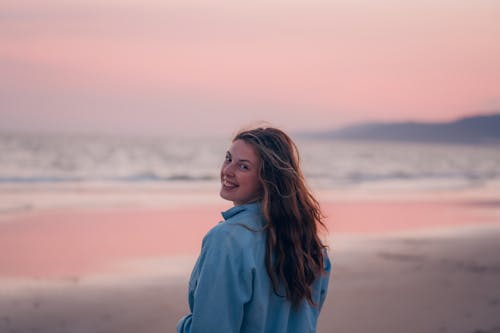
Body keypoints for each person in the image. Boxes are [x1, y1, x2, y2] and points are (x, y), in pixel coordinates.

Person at [177, 126, 331, 333]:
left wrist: (184, 326)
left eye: (243, 167)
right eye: (228, 158)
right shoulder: (310, 244)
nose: (227, 171)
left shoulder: (226, 241)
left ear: (267, 178)